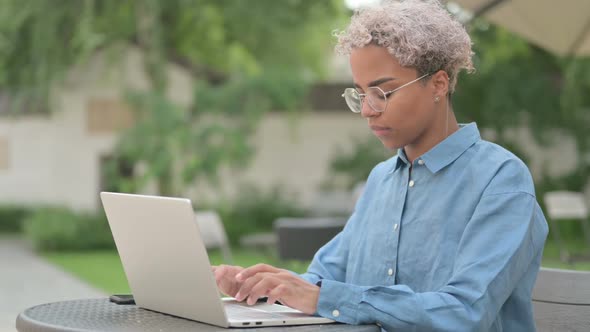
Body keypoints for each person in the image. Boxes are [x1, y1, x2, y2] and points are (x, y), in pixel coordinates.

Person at [213, 0, 548, 330]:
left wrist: (321, 296)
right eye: (360, 93)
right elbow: (325, 279)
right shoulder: (381, 179)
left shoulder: (500, 180)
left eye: (383, 92)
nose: (367, 110)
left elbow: (463, 313)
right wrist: (258, 287)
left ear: (438, 84)